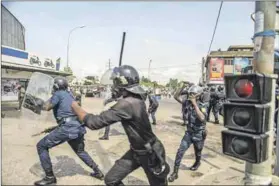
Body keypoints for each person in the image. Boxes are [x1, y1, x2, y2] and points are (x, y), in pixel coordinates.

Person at [72, 65, 170, 186]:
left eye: (116, 82)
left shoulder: (126, 104)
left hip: (150, 153)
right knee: (111, 180)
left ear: (122, 83)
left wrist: (75, 106)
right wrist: (118, 95)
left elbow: (94, 123)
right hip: (136, 151)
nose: (113, 85)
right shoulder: (136, 98)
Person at [34, 77, 104, 186]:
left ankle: (49, 178)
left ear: (56, 86)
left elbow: (47, 107)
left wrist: (38, 102)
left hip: (68, 128)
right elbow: (69, 114)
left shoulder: (58, 94)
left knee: (41, 146)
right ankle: (98, 172)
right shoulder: (69, 94)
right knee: (80, 151)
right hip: (77, 127)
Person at [168, 85, 208, 182]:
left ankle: (197, 163)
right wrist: (182, 86)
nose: (191, 95)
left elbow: (202, 118)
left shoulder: (203, 105)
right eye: (190, 94)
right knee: (180, 151)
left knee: (198, 151)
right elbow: (176, 96)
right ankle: (175, 172)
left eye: (193, 94)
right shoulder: (187, 103)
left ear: (198, 95)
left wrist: (195, 104)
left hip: (199, 133)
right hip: (189, 133)